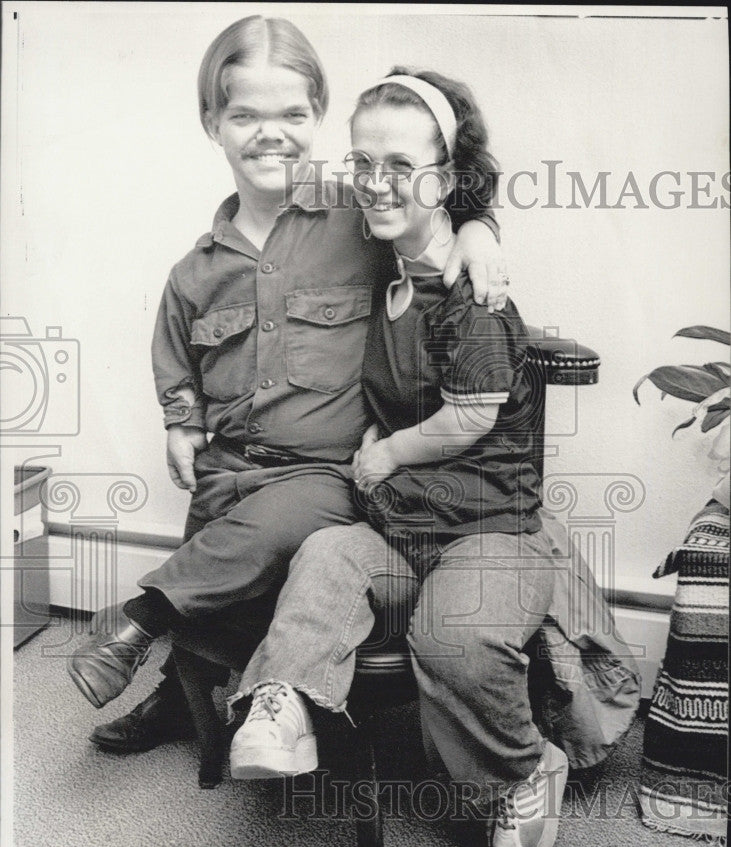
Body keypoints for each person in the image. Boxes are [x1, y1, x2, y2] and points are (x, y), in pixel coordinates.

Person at [226, 70, 640, 847]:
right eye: (361, 162)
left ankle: (521, 772)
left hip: (489, 531)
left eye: (400, 165)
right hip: (405, 529)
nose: (374, 183)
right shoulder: (389, 263)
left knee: (452, 636)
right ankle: (283, 702)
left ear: (447, 177)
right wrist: (469, 217)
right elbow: (290, 184)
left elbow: (470, 417)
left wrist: (383, 452)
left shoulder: (472, 297)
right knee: (322, 559)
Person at [71, 16, 507, 749]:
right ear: (212, 122)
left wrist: (479, 229)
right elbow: (175, 348)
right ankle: (182, 692)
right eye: (244, 114)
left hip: (327, 473)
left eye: (291, 115)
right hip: (233, 465)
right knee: (218, 532)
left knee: (270, 527)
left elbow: (429, 215)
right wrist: (181, 420)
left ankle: (138, 618)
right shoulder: (195, 269)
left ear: (318, 116)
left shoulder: (356, 216)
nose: (269, 134)